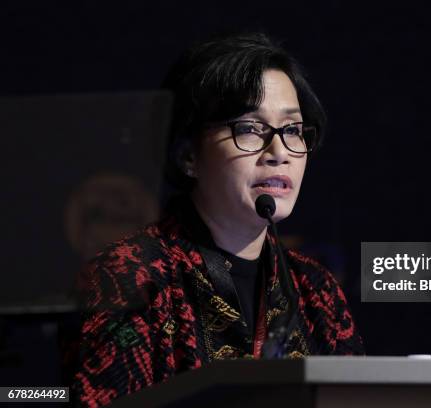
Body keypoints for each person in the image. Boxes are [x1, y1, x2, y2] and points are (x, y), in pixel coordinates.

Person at [71, 31, 364, 407]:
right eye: (248, 128)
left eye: (292, 130)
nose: (279, 152)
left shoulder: (316, 290)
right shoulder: (129, 277)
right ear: (187, 155)